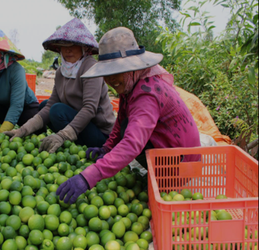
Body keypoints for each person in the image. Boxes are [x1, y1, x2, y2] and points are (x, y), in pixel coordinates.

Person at [56, 27, 201, 204]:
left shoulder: (147, 93)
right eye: (107, 74)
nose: (112, 80)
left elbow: (132, 142)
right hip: (171, 154)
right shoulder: (132, 84)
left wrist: (87, 177)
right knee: (125, 126)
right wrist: (106, 148)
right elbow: (122, 119)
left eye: (118, 71)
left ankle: (167, 185)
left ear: (134, 67)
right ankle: (159, 178)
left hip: (183, 165)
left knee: (129, 133)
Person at [4, 18, 116, 153]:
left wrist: (63, 135)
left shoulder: (91, 68)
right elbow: (50, 105)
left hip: (101, 134)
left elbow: (89, 108)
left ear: (83, 47)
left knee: (57, 111)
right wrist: (24, 130)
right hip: (78, 127)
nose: (67, 50)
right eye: (64, 46)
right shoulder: (61, 72)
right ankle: (68, 144)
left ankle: (72, 144)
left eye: (72, 45)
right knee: (45, 105)